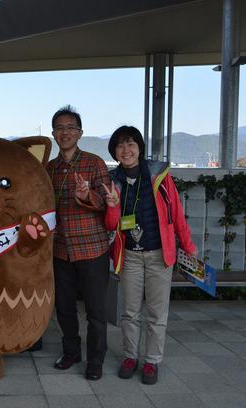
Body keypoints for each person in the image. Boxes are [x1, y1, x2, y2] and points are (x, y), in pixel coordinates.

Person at [104, 125, 196, 385]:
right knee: (130, 312)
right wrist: (111, 205)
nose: (126, 149)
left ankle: (152, 361)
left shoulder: (159, 176)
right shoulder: (113, 181)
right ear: (115, 151)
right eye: (120, 145)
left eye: (131, 143)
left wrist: (189, 248)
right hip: (131, 256)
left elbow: (176, 213)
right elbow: (112, 225)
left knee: (157, 313)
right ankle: (131, 357)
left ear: (139, 148)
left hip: (159, 256)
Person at [46, 105, 112, 380]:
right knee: (64, 307)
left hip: (92, 248)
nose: (65, 132)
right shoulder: (49, 168)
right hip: (60, 249)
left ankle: (95, 360)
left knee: (96, 311)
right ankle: (71, 352)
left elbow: (106, 203)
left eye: (70, 127)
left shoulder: (94, 163)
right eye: (60, 128)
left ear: (80, 133)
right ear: (53, 134)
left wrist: (86, 195)